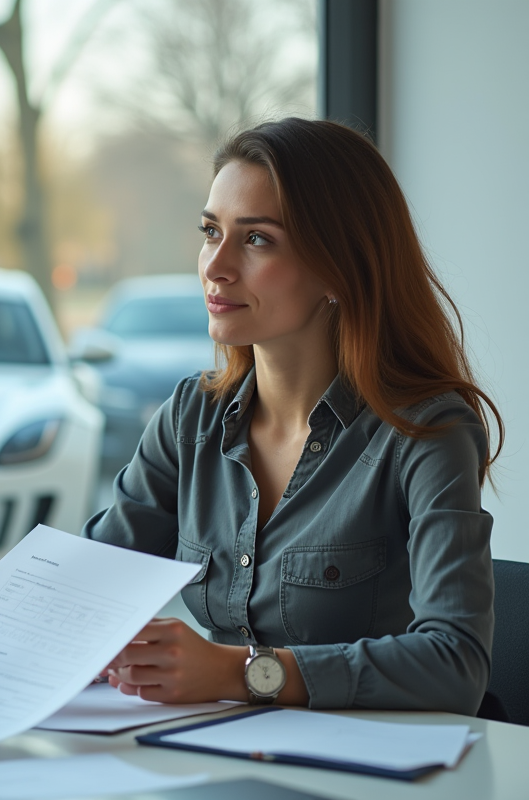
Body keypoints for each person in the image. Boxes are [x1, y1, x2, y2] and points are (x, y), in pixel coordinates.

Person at [86, 118, 502, 716]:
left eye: (257, 239)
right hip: (217, 751)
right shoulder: (189, 417)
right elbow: (79, 590)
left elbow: (455, 662)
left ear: (338, 267)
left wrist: (240, 672)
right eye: (211, 231)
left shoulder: (425, 432)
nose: (215, 266)